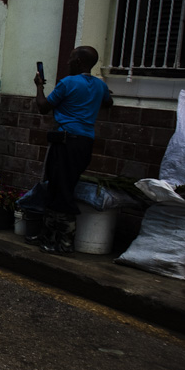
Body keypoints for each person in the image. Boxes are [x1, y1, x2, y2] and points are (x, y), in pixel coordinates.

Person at [31, 46, 113, 254]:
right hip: (84, 143)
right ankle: (48, 236)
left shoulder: (67, 83)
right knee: (57, 186)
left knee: (62, 190)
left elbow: (43, 107)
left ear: (78, 62)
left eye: (70, 58)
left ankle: (64, 242)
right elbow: (108, 102)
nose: (67, 62)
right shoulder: (99, 85)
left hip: (66, 142)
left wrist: (39, 86)